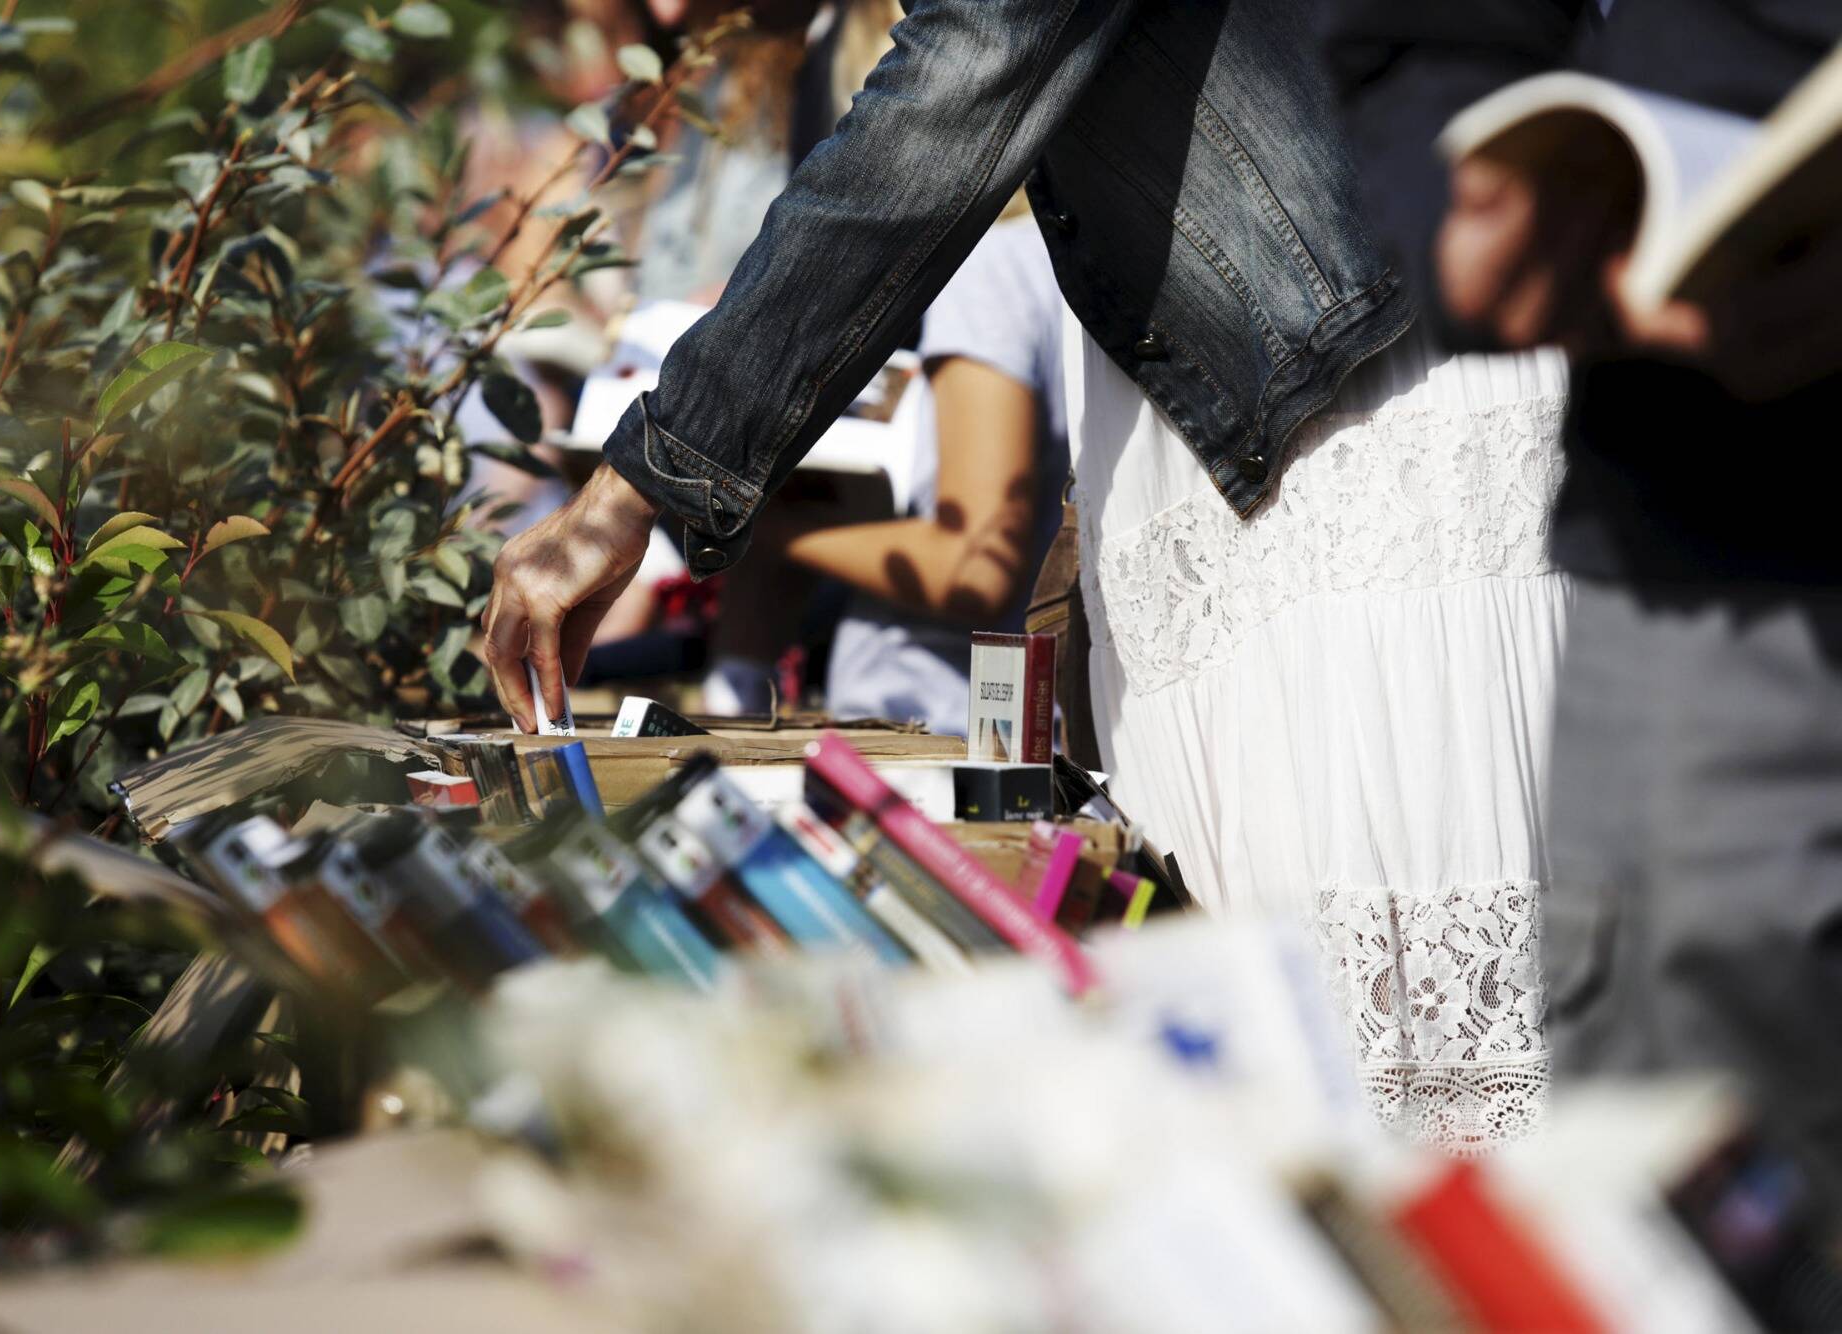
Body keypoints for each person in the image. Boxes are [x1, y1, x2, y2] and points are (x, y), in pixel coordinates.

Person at [480, 0, 1566, 1145]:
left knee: (1377, 1098)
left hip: (1357, 454)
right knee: (1273, 1079)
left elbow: (962, 74)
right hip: (1261, 424)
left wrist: (636, 483)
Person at [1324, 0, 1842, 1177]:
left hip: (1722, 624)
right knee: (1700, 1205)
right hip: (1727, 561)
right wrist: (1460, 180)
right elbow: (1428, 38)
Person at [791, 203, 1069, 734]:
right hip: (1039, 715)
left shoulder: (994, 268)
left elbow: (974, 567)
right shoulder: (1100, 268)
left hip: (934, 721)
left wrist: (773, 531)